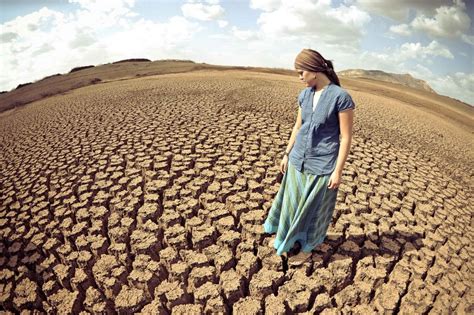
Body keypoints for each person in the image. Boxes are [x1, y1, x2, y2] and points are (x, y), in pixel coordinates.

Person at [262, 48, 355, 265]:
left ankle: (308, 246)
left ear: (313, 71)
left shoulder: (341, 97)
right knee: (290, 203)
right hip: (297, 159)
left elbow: (346, 138)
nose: (299, 77)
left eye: (300, 72)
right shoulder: (305, 95)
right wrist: (286, 154)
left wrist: (338, 171)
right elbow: (297, 127)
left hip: (323, 164)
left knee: (314, 210)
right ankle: (284, 237)